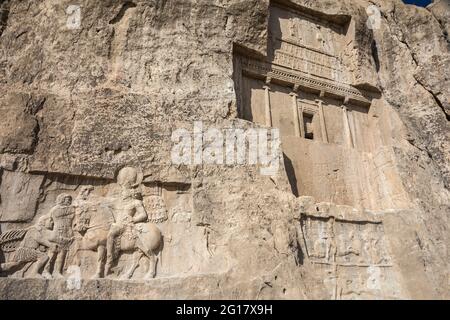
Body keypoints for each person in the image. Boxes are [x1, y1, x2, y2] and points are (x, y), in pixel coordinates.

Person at [43, 193, 75, 278]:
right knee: (53, 251)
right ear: (62, 199)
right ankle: (46, 270)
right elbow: (48, 223)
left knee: (62, 253)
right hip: (58, 231)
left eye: (69, 199)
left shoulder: (72, 209)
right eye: (66, 199)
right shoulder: (56, 209)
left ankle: (57, 271)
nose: (68, 201)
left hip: (67, 232)